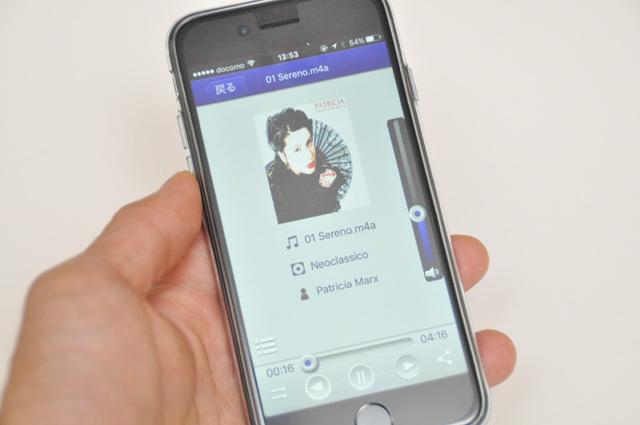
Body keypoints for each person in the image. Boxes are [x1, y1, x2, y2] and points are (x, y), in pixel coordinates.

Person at [0, 172, 516, 424]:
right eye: (294, 148)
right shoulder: (284, 191)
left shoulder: (328, 181)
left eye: (308, 145)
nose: (305, 154)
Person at [265, 108, 347, 224]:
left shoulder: (320, 170)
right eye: (297, 149)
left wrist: (326, 189)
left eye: (308, 142)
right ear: (283, 156)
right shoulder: (273, 186)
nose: (309, 155)